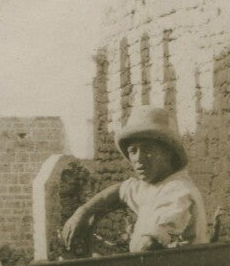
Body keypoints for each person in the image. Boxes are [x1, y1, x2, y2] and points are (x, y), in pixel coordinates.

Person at [61, 104, 209, 254]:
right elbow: (120, 191)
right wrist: (84, 211)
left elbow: (148, 245)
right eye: (133, 150)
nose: (138, 158)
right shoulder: (153, 185)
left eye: (148, 149)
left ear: (168, 152)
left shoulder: (178, 192)